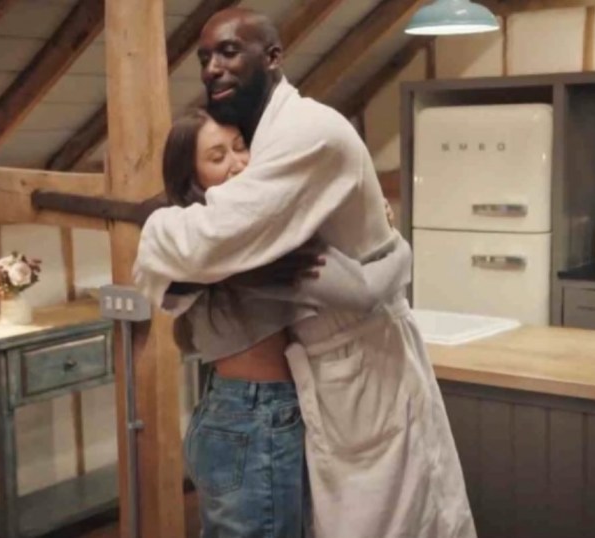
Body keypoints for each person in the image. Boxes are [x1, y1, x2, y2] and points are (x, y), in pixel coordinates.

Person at [134, 8, 476, 538]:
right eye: (203, 58)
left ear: (273, 57)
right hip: (263, 399)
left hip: (360, 372)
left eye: (228, 51)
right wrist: (389, 265)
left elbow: (210, 239)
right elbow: (212, 251)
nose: (212, 68)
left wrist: (158, 229)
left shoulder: (306, 133)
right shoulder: (267, 146)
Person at [163, 107, 411, 537]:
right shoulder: (233, 240)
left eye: (241, 147)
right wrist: (401, 247)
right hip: (255, 414)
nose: (238, 162)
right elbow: (366, 293)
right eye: (218, 157)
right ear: (193, 177)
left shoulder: (223, 233)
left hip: (243, 409)